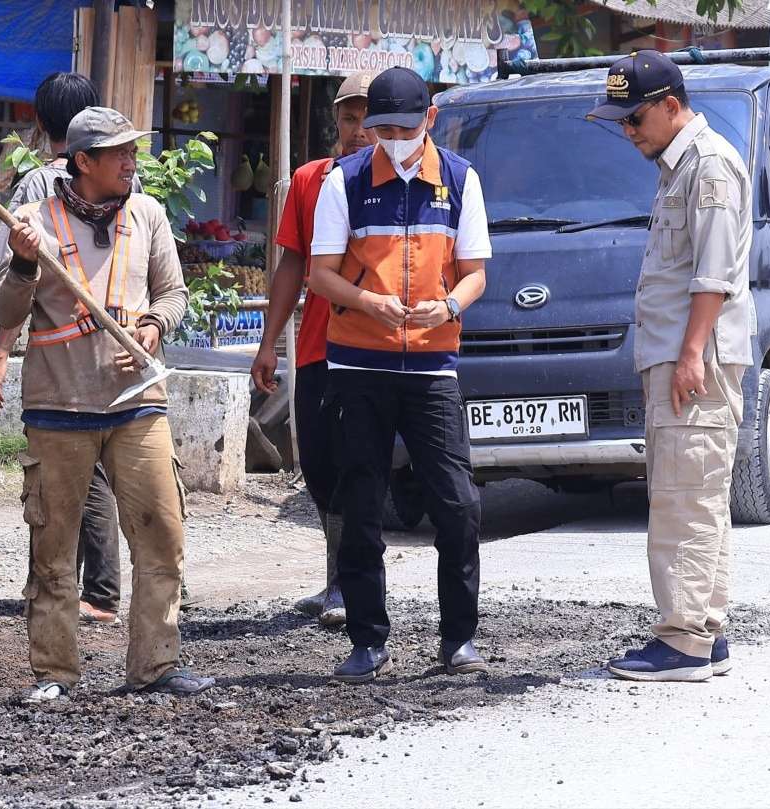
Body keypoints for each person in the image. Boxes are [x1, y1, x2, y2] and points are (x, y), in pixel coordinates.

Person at [0, 106, 214, 702]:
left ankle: (156, 666)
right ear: (81, 162)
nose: (130, 161)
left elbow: (173, 293)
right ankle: (55, 673)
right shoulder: (32, 223)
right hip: (58, 407)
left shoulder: (148, 214)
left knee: (162, 534)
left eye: (133, 150)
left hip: (138, 403)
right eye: (118, 153)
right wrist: (21, 262)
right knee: (53, 546)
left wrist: (153, 328)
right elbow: (4, 314)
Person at [307, 67, 491, 683]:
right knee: (359, 501)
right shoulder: (345, 180)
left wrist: (453, 305)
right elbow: (321, 275)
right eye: (379, 128)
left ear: (430, 121)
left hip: (434, 366)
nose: (388, 138)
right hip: (358, 363)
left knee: (457, 503)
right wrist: (366, 303)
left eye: (402, 129)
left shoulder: (461, 181)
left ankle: (458, 638)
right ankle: (366, 640)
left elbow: (475, 273)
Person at [588, 51, 753, 682]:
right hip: (685, 354)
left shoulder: (707, 167)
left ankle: (682, 640)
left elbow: (713, 274)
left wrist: (689, 355)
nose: (628, 132)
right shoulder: (678, 166)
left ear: (671, 107)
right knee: (696, 494)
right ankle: (705, 631)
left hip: (696, 358)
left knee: (683, 497)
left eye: (635, 119)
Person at [0, 72, 123, 625]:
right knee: (98, 470)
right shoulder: (121, 186)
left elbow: (20, 283)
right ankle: (96, 588)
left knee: (65, 475)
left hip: (62, 357)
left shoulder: (39, 187)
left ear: (39, 122)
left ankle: (81, 591)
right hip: (110, 346)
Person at [250, 70, 377, 628]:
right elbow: (292, 266)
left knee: (360, 467)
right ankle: (336, 580)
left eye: (369, 120)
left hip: (376, 350)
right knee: (320, 467)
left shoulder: (397, 185)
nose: (359, 131)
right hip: (316, 349)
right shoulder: (309, 181)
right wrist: (268, 344)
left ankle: (354, 586)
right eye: (350, 119)